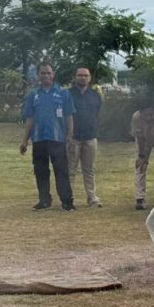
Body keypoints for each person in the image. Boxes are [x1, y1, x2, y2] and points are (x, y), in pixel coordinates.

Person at [20, 63, 76, 211]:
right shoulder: (33, 95)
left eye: (49, 73)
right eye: (43, 73)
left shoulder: (63, 93)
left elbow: (69, 116)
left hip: (57, 139)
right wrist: (25, 141)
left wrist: (70, 136)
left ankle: (67, 201)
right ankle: (44, 200)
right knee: (40, 171)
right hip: (39, 139)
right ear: (38, 75)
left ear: (53, 74)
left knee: (61, 171)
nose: (46, 76)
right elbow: (29, 119)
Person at [67, 67, 103, 208]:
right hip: (73, 137)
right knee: (71, 170)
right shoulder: (68, 94)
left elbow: (98, 112)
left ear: (89, 78)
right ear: (75, 77)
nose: (83, 78)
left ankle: (92, 197)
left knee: (89, 169)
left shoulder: (95, 95)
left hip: (90, 137)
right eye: (80, 75)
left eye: (85, 75)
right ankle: (68, 198)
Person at [131, 94, 154, 210]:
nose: (149, 118)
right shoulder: (136, 117)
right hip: (143, 140)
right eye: (146, 115)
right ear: (141, 112)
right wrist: (143, 157)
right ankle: (140, 198)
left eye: (151, 115)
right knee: (140, 167)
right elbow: (140, 137)